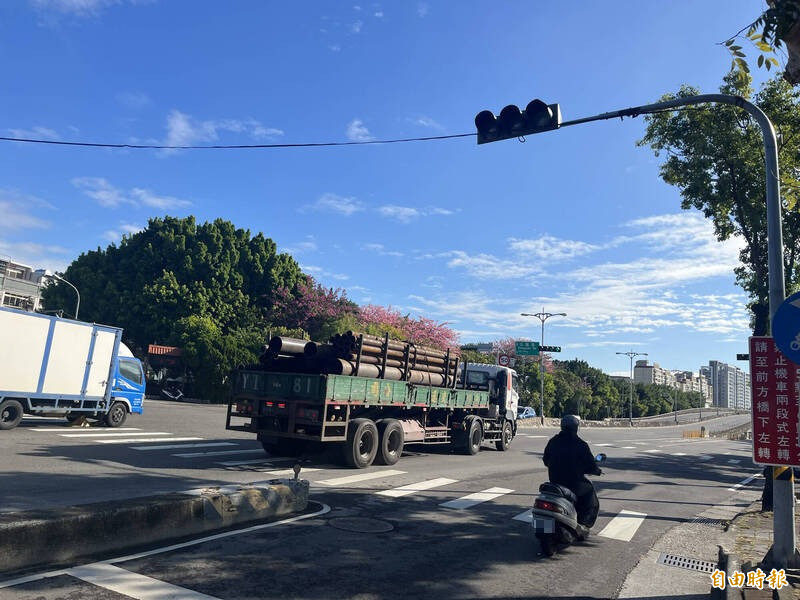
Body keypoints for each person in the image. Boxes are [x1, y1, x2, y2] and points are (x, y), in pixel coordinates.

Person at [542, 414, 602, 527]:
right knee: (589, 491)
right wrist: (596, 470)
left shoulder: (553, 441)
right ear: (576, 428)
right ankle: (583, 523)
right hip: (574, 483)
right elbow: (590, 465)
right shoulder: (581, 445)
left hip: (555, 482)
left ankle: (547, 528)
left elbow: (546, 460)